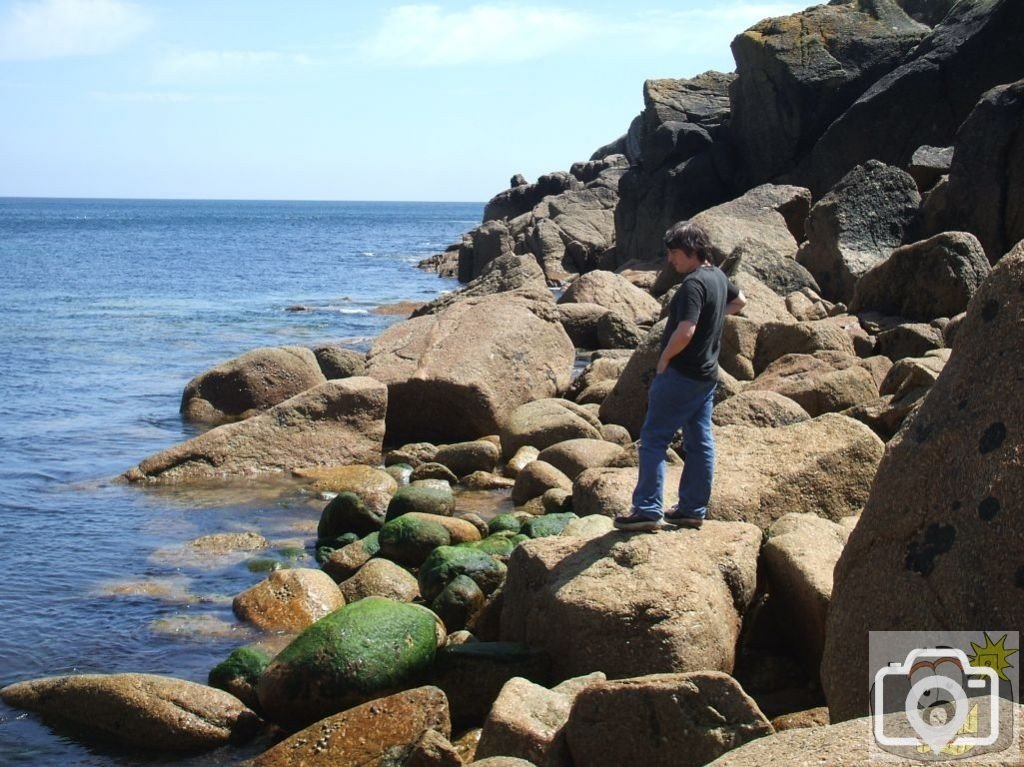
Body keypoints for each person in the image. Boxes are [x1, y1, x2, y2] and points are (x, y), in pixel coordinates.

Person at [614, 220, 746, 532]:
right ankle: (692, 509)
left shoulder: (692, 285)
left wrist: (664, 359)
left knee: (653, 440)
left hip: (682, 374)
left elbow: (685, 331)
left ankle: (647, 509)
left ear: (691, 251)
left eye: (674, 253)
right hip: (706, 375)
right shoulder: (717, 276)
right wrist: (714, 317)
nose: (670, 260)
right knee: (700, 441)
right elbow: (740, 302)